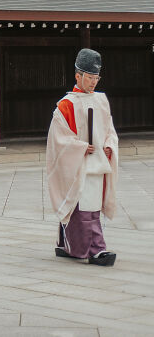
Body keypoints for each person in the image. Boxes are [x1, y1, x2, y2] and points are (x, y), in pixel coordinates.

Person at [46, 48, 118, 266]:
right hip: (78, 164)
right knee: (80, 207)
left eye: (96, 78)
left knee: (91, 207)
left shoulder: (102, 101)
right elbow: (58, 138)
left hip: (97, 163)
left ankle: (71, 245)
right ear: (78, 75)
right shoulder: (66, 105)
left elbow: (110, 131)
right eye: (89, 77)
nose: (93, 82)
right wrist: (78, 147)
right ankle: (94, 249)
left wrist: (108, 145)